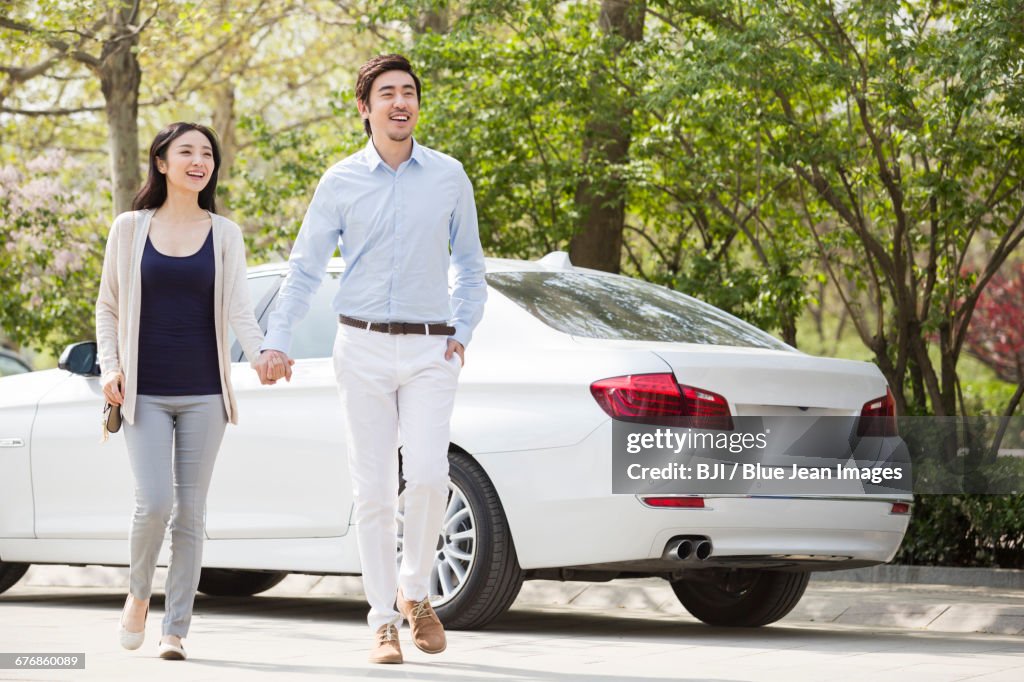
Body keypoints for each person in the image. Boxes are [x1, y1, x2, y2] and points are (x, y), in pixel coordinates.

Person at [255, 53, 486, 664]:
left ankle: (417, 594)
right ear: (365, 108)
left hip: (431, 348)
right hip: (359, 346)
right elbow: (303, 270)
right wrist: (276, 338)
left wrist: (461, 330)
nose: (400, 101)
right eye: (387, 93)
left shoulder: (448, 176)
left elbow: (470, 264)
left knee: (431, 477)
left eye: (408, 91)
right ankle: (383, 620)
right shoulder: (339, 182)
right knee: (376, 488)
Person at [95, 122, 291, 661]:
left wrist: (263, 355)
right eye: (186, 151)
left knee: (191, 512)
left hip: (206, 392)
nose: (198, 160)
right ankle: (138, 594)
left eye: (207, 153)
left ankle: (175, 627)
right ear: (162, 162)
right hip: (145, 392)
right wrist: (110, 366)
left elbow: (240, 312)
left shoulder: (224, 234)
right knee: (154, 504)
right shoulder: (129, 228)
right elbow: (108, 306)